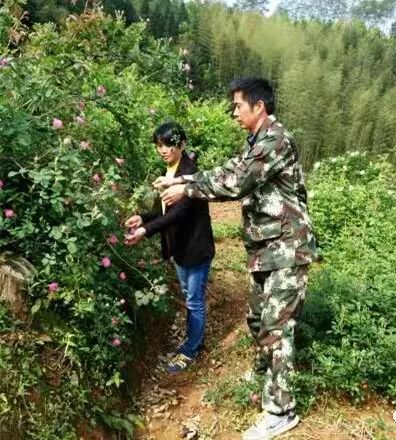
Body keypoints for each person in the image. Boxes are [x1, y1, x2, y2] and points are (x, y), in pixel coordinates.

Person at [157, 78, 317, 439]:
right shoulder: (256, 143)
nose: (234, 112)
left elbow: (239, 181)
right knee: (258, 316)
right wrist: (186, 180)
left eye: (237, 106)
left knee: (276, 327)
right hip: (267, 248)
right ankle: (263, 373)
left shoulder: (276, 140)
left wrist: (187, 187)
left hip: (288, 248)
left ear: (259, 107)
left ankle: (281, 410)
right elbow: (230, 169)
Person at [124, 121, 215, 373]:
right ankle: (193, 339)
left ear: (181, 144)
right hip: (180, 249)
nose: (163, 150)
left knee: (194, 300)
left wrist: (145, 231)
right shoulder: (170, 169)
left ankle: (191, 350)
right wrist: (143, 217)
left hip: (195, 249)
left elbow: (179, 213)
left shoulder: (190, 172)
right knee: (189, 296)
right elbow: (165, 209)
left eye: (168, 145)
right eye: (159, 146)